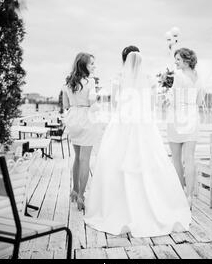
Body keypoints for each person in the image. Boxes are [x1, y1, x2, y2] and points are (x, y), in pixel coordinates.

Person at [83, 48, 191, 238]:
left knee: (115, 162)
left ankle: (118, 206)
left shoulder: (118, 77)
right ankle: (150, 205)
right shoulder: (148, 79)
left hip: (122, 124)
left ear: (124, 60)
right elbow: (151, 105)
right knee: (148, 163)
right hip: (143, 125)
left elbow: (115, 104)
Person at [166, 48, 204, 209]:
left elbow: (173, 100)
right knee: (189, 158)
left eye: (178, 60)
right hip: (192, 117)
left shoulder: (179, 76)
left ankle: (180, 194)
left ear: (187, 60)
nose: (175, 62)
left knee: (176, 158)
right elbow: (200, 101)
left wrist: (167, 99)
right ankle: (189, 197)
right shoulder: (198, 77)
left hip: (178, 117)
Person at [63, 52, 99, 211]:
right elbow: (93, 103)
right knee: (85, 159)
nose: (94, 66)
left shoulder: (68, 82)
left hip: (73, 119)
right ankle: (81, 196)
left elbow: (65, 105)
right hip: (86, 119)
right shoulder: (90, 82)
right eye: (91, 64)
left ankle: (74, 190)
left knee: (77, 158)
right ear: (84, 65)